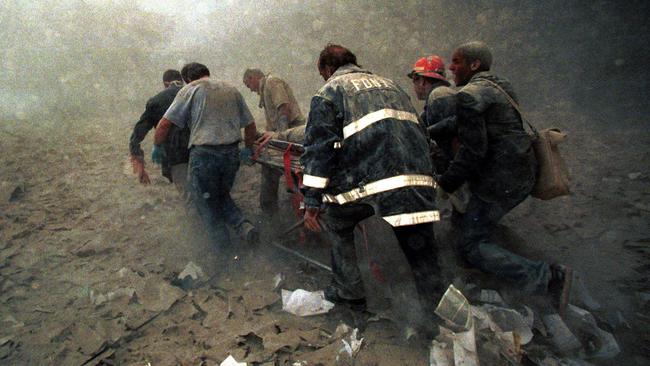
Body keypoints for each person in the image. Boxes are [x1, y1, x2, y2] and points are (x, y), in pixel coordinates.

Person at [300, 44, 443, 323]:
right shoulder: (391, 85)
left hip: (375, 182)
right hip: (418, 179)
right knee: (424, 255)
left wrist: (312, 202)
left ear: (328, 69)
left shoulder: (330, 91)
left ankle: (349, 292)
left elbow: (319, 149)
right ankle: (441, 320)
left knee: (337, 220)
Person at [438, 41, 571, 310]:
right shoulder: (499, 87)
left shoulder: (470, 95)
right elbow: (464, 124)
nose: (451, 67)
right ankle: (493, 276)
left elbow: (473, 151)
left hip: (500, 180)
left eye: (457, 61)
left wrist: (445, 183)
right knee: (472, 228)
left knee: (472, 243)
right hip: (521, 173)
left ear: (474, 65)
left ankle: (546, 277)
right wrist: (426, 128)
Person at [154, 62, 259, 252]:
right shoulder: (231, 89)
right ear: (207, 73)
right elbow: (250, 126)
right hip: (231, 154)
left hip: (204, 154)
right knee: (219, 195)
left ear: (187, 79)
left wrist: (157, 146)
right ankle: (243, 225)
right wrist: (248, 149)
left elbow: (163, 125)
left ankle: (224, 253)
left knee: (205, 203)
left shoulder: (190, 89)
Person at [242, 68, 306, 216]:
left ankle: (274, 215)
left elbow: (283, 108)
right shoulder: (266, 90)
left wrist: (280, 137)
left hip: (292, 135)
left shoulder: (272, 82)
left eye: (248, 85)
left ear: (253, 77)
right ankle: (276, 212)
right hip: (285, 137)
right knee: (276, 172)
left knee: (288, 174)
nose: (251, 90)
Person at [129, 69, 190, 194]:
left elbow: (137, 134)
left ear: (165, 83)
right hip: (200, 150)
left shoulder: (156, 101)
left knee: (186, 191)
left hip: (175, 156)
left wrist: (140, 165)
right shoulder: (195, 95)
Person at [408, 55, 457, 175]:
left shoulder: (439, 95)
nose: (414, 86)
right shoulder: (440, 95)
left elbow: (451, 138)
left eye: (414, 80)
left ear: (422, 81)